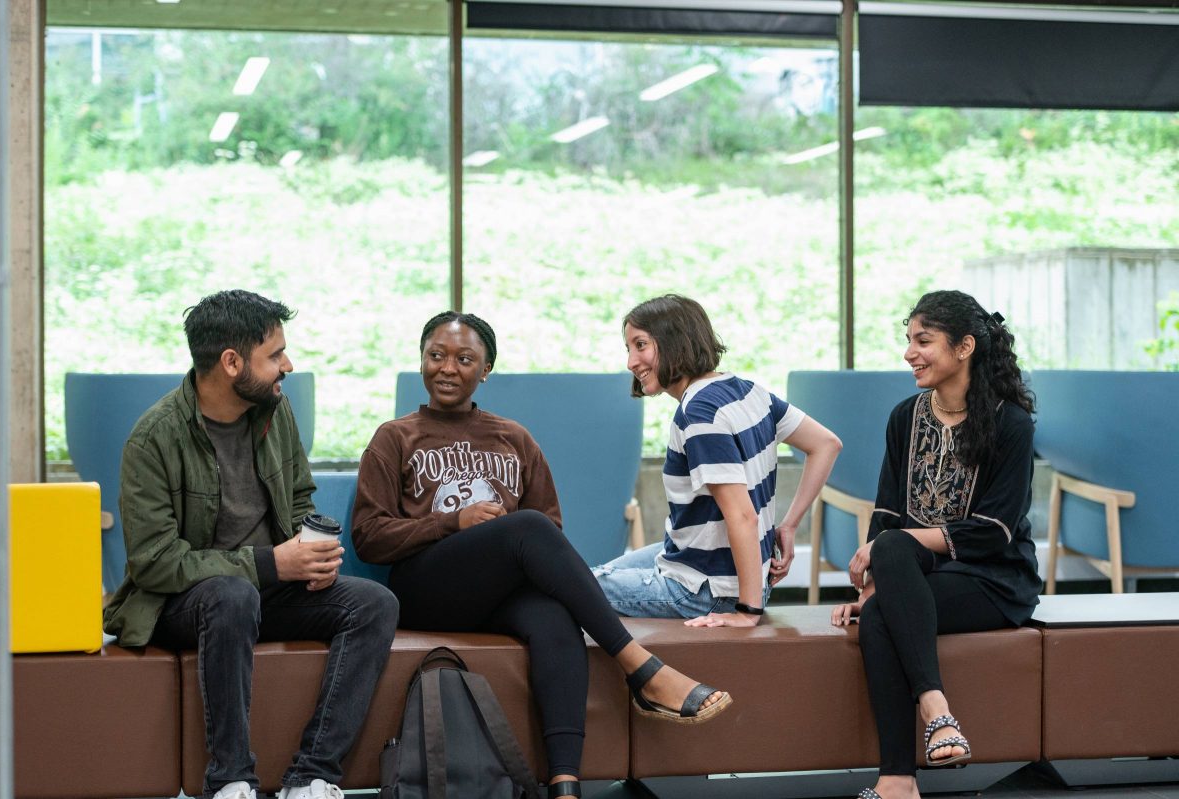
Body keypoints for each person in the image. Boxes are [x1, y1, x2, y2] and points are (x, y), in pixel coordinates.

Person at [352, 311, 733, 799]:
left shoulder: (514, 437)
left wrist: (505, 544)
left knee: (555, 616)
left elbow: (549, 532)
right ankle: (642, 669)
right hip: (426, 589)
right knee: (525, 526)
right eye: (436, 356)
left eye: (464, 359)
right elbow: (368, 535)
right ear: (422, 362)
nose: (447, 368)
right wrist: (451, 522)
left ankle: (565, 786)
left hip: (495, 595)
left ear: (485, 369)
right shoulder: (395, 437)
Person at [103, 290, 399, 799]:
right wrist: (272, 563)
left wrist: (311, 549)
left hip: (268, 587)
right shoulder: (153, 439)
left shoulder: (273, 412)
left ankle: (313, 776)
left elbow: (301, 494)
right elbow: (154, 564)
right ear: (232, 362)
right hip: (184, 603)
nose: (288, 364)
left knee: (374, 604)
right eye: (275, 354)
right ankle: (231, 779)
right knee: (231, 596)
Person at [830, 290, 1042, 799]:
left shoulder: (1010, 422)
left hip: (994, 579)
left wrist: (891, 559)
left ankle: (898, 777)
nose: (910, 353)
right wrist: (868, 589)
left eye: (923, 341)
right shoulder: (906, 416)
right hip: (918, 576)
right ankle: (936, 717)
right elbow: (885, 513)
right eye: (908, 341)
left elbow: (994, 531)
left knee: (887, 602)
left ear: (965, 346)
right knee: (889, 564)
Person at [593, 294, 842, 627]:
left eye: (641, 345)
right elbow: (826, 444)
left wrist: (747, 611)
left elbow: (742, 516)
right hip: (710, 569)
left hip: (707, 590)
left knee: (569, 585)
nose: (631, 362)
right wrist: (789, 526)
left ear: (674, 342)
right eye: (629, 349)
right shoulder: (748, 390)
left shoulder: (699, 413)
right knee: (580, 575)